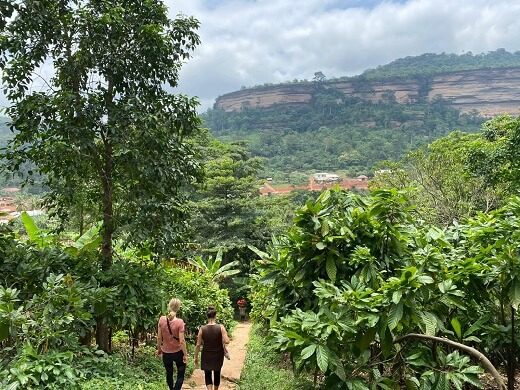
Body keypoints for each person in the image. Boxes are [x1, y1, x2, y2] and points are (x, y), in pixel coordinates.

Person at [194, 306, 230, 390]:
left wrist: (195, 357)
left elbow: (198, 344)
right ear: (215, 316)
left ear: (207, 316)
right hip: (218, 354)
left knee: (207, 373)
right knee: (217, 372)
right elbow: (227, 341)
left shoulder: (202, 328)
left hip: (206, 354)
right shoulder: (221, 327)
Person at [157, 298, 188, 390]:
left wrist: (159, 349)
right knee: (180, 374)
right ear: (178, 308)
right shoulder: (180, 322)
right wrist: (185, 354)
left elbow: (159, 337)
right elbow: (182, 341)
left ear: (169, 306)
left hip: (166, 352)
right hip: (178, 352)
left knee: (169, 373)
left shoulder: (162, 319)